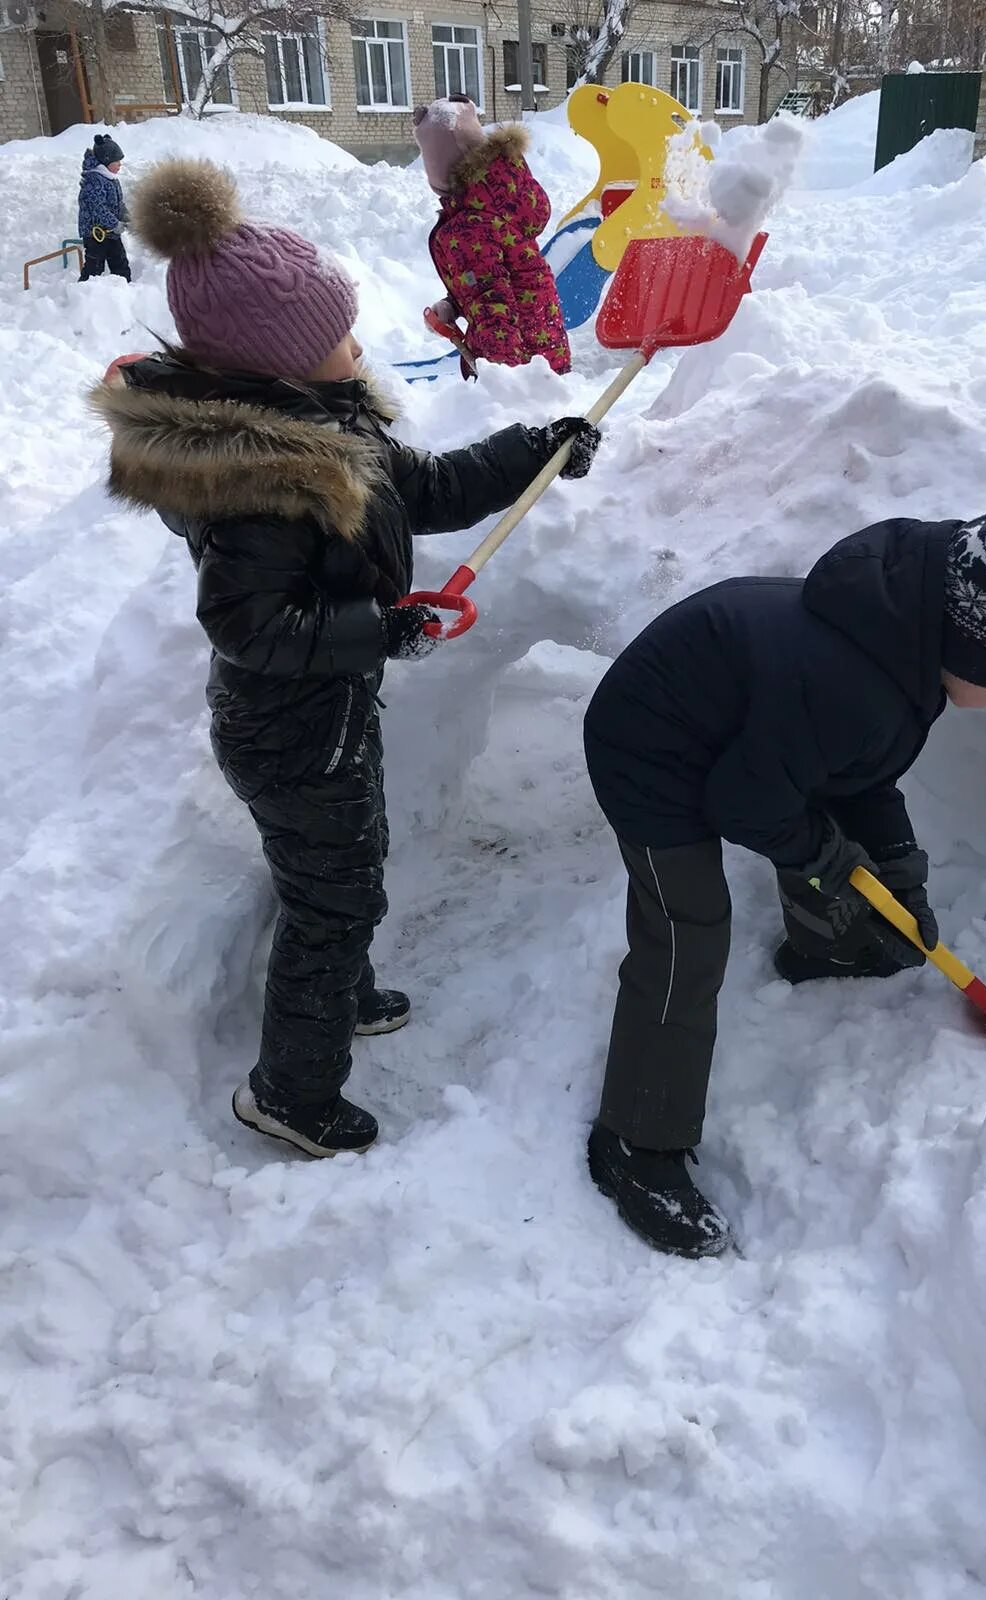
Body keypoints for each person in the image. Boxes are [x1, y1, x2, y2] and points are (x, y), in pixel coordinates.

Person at [91, 158, 600, 1158]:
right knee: (336, 892)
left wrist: (533, 449)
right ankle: (292, 1092)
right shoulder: (260, 488)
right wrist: (380, 630)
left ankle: (343, 989)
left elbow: (432, 486)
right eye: (338, 336)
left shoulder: (326, 427)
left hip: (325, 711)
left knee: (346, 864)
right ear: (277, 366)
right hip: (288, 729)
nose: (358, 346)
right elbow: (247, 626)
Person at [582, 472, 986, 1258]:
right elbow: (748, 805)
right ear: (973, 649)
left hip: (743, 739)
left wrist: (897, 873)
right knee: (689, 935)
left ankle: (824, 947)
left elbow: (858, 776)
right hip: (650, 749)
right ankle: (635, 1142)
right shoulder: (854, 683)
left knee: (824, 834)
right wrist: (830, 859)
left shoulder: (903, 637)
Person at [413, 95, 571, 376]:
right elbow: (493, 281)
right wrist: (452, 307)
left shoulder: (469, 229)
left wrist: (501, 379)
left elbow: (492, 304)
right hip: (542, 351)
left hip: (518, 369)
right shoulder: (499, 199)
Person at [78, 133, 131, 283]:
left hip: (111, 233)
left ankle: (125, 290)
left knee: (120, 263)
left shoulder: (112, 179)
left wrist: (127, 216)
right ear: (106, 161)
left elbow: (118, 203)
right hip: (96, 234)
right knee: (94, 269)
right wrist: (114, 224)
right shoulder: (94, 180)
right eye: (117, 161)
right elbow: (97, 208)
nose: (120, 164)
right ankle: (83, 291)